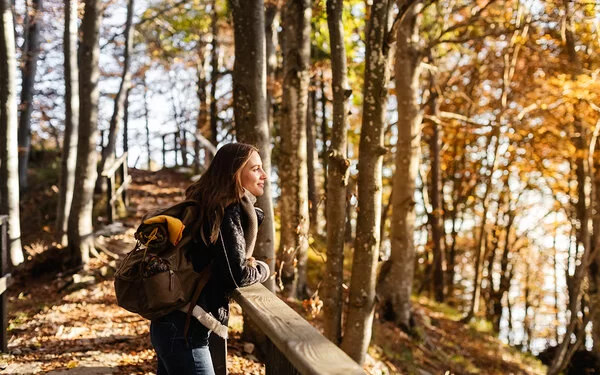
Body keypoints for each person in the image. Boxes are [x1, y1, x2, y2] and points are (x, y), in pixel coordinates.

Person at [150, 143, 271, 375]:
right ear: (235, 172)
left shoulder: (209, 203)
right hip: (184, 330)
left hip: (173, 324)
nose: (263, 175)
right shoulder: (225, 209)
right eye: (256, 169)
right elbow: (236, 275)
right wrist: (263, 269)